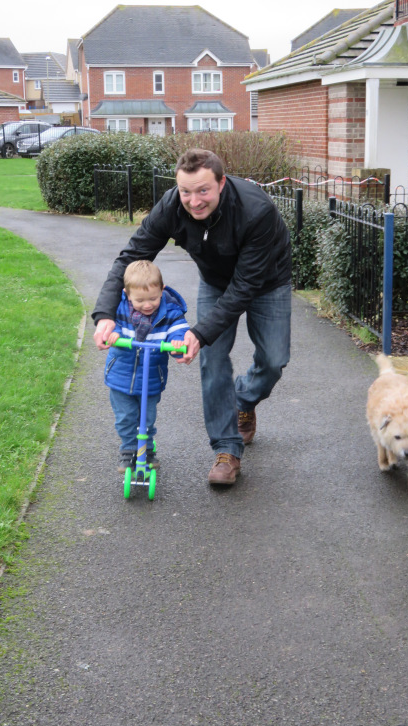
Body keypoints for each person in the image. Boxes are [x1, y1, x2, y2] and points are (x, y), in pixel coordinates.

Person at [93, 148, 292, 486]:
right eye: (186, 191)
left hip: (265, 282)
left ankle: (242, 399)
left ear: (221, 183)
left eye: (203, 191)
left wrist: (199, 332)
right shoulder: (171, 206)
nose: (194, 201)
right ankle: (227, 450)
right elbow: (130, 257)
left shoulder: (256, 212)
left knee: (274, 360)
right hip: (215, 281)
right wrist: (105, 314)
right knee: (212, 361)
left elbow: (244, 287)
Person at [104, 260, 188, 472]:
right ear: (127, 294)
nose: (148, 304)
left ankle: (147, 450)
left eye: (153, 298)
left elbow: (179, 331)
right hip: (121, 377)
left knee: (147, 419)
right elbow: (112, 324)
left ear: (162, 289)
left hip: (151, 377)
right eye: (140, 300)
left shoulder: (171, 312)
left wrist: (178, 343)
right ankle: (128, 450)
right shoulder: (120, 308)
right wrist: (114, 334)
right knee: (125, 418)